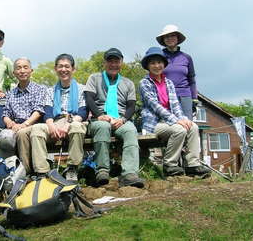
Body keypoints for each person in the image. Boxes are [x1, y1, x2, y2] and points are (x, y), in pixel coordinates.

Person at [139, 47, 211, 177]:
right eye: (153, 63)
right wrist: (176, 121)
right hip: (154, 123)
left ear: (164, 64)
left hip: (170, 121)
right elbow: (156, 107)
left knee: (192, 126)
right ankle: (170, 165)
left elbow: (176, 105)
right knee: (180, 130)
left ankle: (192, 165)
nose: (157, 66)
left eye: (159, 62)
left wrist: (183, 118)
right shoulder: (144, 83)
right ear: (148, 66)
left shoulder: (169, 83)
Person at [84, 48, 145, 188]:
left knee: (131, 130)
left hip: (120, 120)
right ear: (105, 63)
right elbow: (89, 99)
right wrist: (100, 115)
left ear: (121, 63)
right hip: (99, 118)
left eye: (116, 61)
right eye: (110, 61)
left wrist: (123, 119)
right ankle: (102, 170)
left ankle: (130, 174)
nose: (113, 64)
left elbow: (131, 106)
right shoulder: (94, 78)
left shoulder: (128, 83)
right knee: (102, 127)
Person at [29, 54, 88, 182]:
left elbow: (83, 112)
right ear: (55, 69)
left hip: (74, 120)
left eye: (67, 66)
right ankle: (42, 172)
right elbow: (47, 111)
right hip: (55, 122)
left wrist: (68, 124)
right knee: (37, 128)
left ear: (73, 69)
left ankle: (72, 168)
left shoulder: (82, 89)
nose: (63, 69)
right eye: (60, 66)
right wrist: (51, 126)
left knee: (77, 127)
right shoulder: (50, 90)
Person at [0, 57, 47, 173]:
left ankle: (26, 171)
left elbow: (38, 111)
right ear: (14, 73)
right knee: (4, 136)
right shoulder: (11, 93)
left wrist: (23, 125)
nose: (22, 71)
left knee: (21, 133)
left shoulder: (40, 89)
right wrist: (10, 123)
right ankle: (5, 172)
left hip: (34, 124)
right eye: (18, 68)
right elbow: (5, 113)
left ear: (31, 71)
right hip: (15, 125)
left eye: (25, 67)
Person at [156, 24, 198, 120]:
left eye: (172, 35)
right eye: (166, 36)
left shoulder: (186, 57)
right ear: (163, 40)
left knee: (188, 125)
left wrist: (194, 99)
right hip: (165, 96)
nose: (169, 38)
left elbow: (192, 80)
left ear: (178, 38)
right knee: (169, 125)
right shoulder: (159, 57)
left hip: (185, 96)